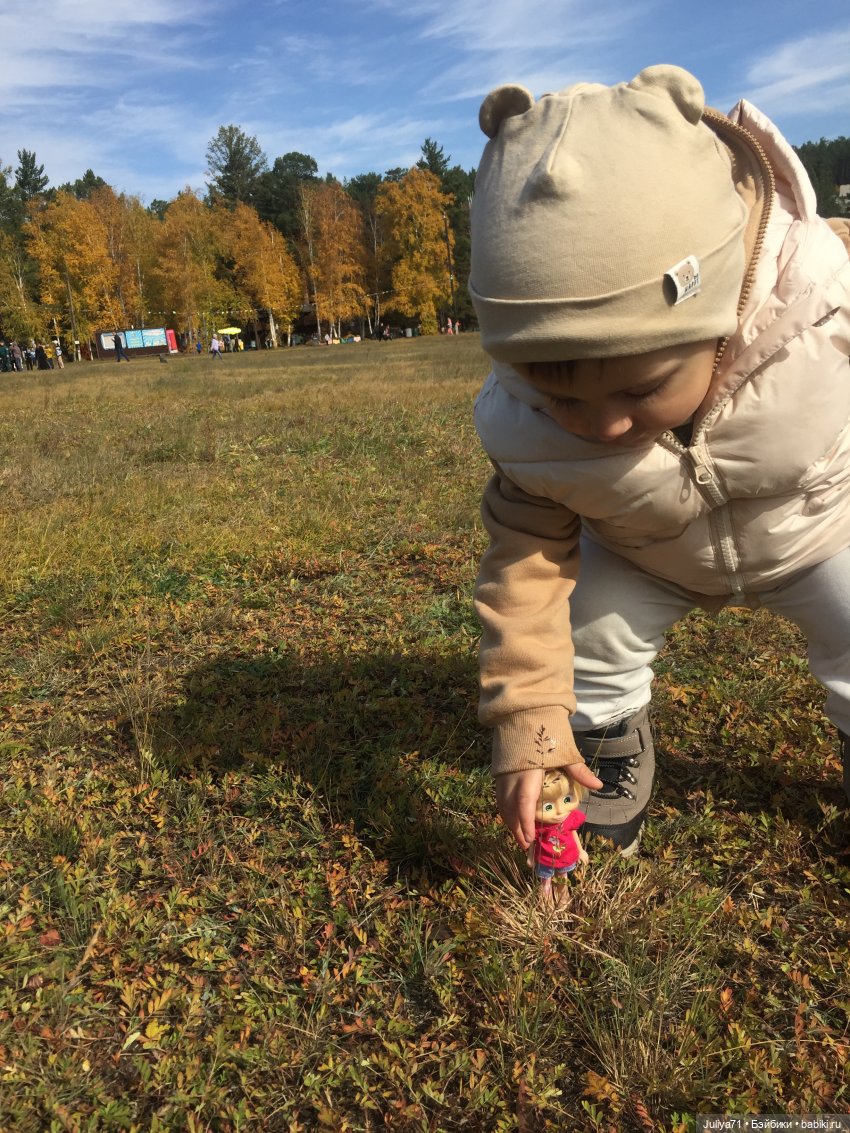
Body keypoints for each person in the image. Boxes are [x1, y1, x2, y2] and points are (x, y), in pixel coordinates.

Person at [468, 65, 850, 858]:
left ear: (722, 315)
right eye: (560, 396)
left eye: (640, 388)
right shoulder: (526, 428)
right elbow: (524, 569)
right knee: (592, 629)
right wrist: (531, 716)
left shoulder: (821, 313)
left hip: (817, 531)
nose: (603, 427)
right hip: (646, 554)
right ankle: (601, 746)